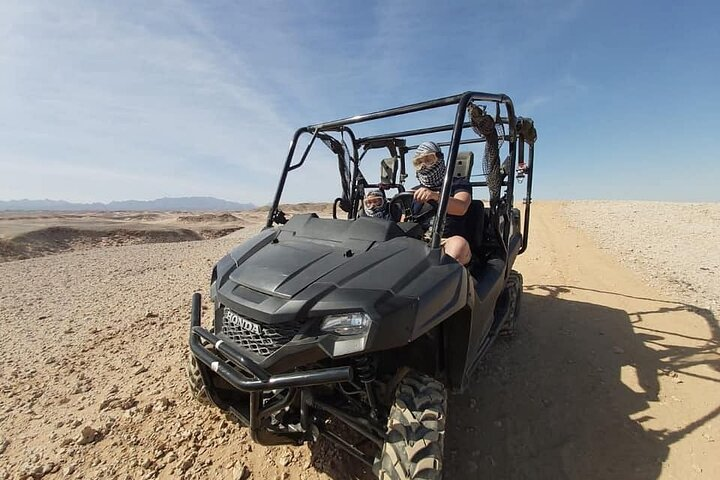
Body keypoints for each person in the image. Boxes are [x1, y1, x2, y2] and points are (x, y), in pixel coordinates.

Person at [411, 141, 472, 265]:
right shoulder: (414, 191)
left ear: (439, 158)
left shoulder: (458, 184)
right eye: (419, 162)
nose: (424, 166)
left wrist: (435, 196)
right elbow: (404, 221)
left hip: (447, 240)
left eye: (429, 159)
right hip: (419, 240)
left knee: (458, 245)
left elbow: (461, 207)